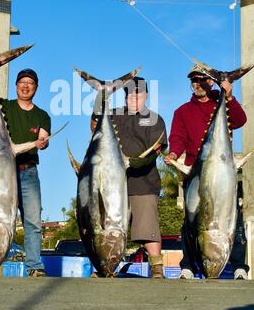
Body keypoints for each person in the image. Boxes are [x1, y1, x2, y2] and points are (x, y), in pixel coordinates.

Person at [164, 64, 249, 280]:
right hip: (195, 175)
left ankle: (240, 267)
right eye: (193, 81)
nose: (197, 84)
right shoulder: (182, 111)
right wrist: (174, 154)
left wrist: (228, 96)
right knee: (190, 220)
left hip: (223, 174)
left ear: (211, 81)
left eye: (201, 80)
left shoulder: (220, 104)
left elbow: (240, 121)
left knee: (233, 218)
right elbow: (178, 139)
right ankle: (189, 266)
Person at [92, 77, 168, 278]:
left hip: (143, 183)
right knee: (107, 227)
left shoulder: (155, 119)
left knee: (148, 227)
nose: (134, 96)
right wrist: (102, 95)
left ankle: (157, 269)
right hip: (112, 186)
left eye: (139, 93)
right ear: (125, 96)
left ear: (146, 96)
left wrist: (135, 162)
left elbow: (156, 150)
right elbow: (94, 127)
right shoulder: (113, 115)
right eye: (130, 93)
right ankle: (105, 267)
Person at [0, 67, 51, 277]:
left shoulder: (42, 115)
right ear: (16, 85)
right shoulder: (4, 106)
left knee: (33, 222)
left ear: (36, 88)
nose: (25, 86)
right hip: (0, 174)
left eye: (30, 83)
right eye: (22, 82)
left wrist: (41, 144)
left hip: (28, 173)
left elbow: (42, 140)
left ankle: (34, 267)